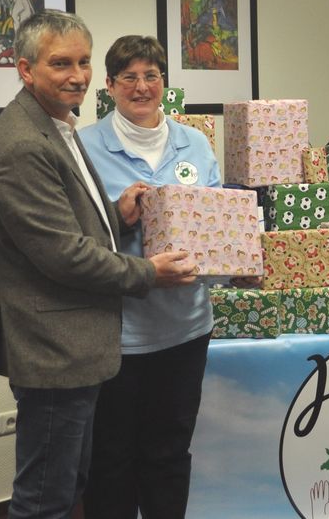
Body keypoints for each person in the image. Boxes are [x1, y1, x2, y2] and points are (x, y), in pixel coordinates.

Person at [0, 10, 196, 519]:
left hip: (75, 342)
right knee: (45, 497)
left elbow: (72, 227)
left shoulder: (57, 127)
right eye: (60, 63)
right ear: (26, 70)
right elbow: (64, 254)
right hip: (54, 347)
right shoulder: (21, 145)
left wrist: (118, 216)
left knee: (69, 481)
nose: (77, 75)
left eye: (83, 61)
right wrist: (150, 273)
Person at [78, 35, 221, 519]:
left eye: (152, 76)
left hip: (185, 329)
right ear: (110, 85)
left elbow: (221, 227)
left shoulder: (196, 144)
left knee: (169, 455)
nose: (142, 87)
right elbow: (73, 244)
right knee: (111, 460)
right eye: (129, 78)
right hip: (118, 336)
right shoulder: (85, 148)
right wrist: (120, 216)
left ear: (164, 81)